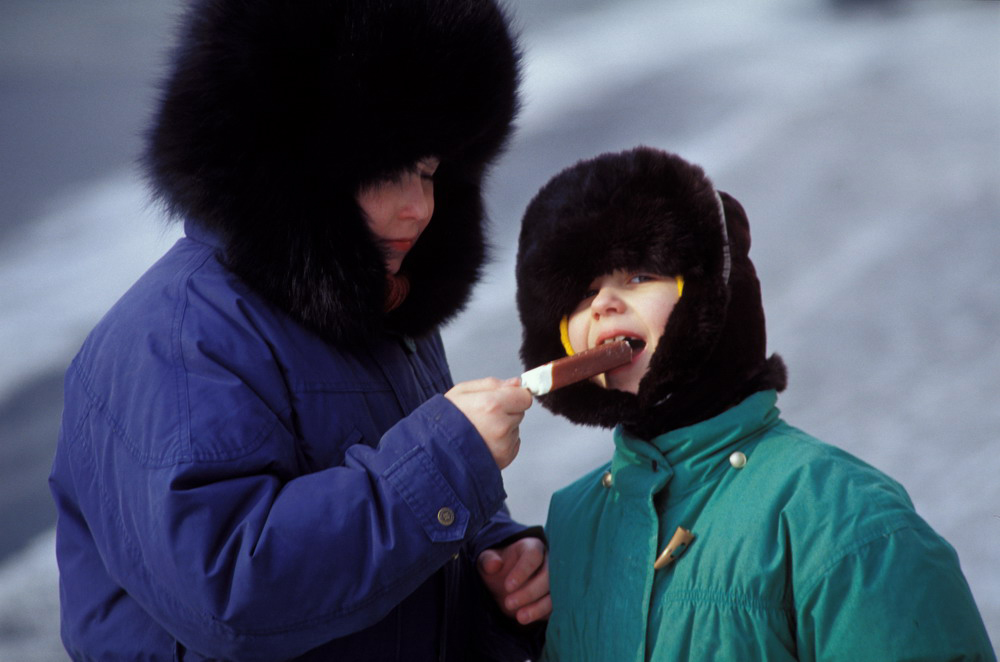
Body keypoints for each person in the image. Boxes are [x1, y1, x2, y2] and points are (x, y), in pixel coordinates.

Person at [49, 1, 551, 660]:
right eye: (386, 170)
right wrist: (447, 466)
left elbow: (400, 527)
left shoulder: (383, 309)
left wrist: (495, 561)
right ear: (293, 163)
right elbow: (231, 590)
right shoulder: (176, 340)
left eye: (429, 171)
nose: (418, 207)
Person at [514, 146, 995, 660]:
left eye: (638, 276)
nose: (604, 304)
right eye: (583, 293)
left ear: (710, 295)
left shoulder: (841, 513)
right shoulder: (573, 523)